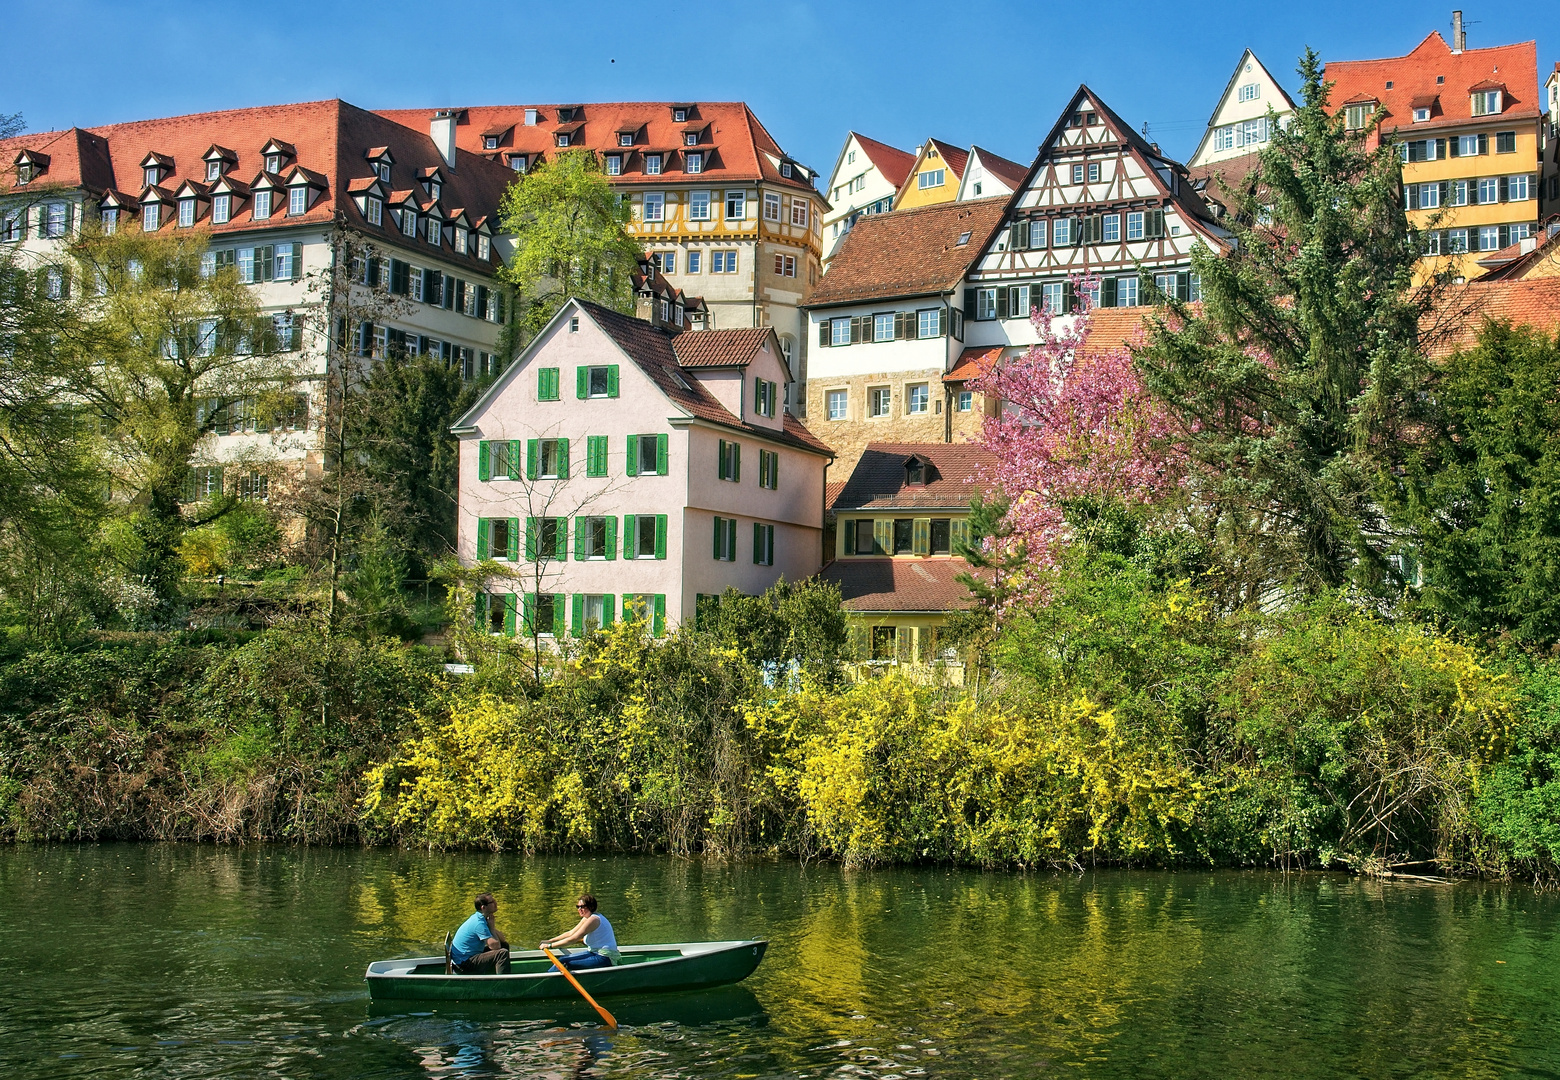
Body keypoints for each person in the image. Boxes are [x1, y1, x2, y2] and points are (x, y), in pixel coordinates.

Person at [539, 893, 620, 971]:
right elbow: (570, 933)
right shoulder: (587, 918)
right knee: (562, 959)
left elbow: (574, 938)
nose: (579, 909)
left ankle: (545, 981)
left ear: (590, 907)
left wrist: (550, 946)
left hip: (604, 957)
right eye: (577, 907)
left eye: (582, 907)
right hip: (594, 952)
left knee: (564, 962)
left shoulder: (594, 919)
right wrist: (550, 941)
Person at [450, 892, 510, 975]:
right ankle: (503, 983)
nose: (496, 903)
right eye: (492, 902)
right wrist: (492, 929)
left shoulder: (482, 918)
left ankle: (494, 973)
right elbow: (495, 946)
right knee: (502, 954)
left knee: (505, 946)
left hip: (470, 957)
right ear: (483, 907)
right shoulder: (478, 923)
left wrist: (491, 927)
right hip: (464, 964)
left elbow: (502, 940)